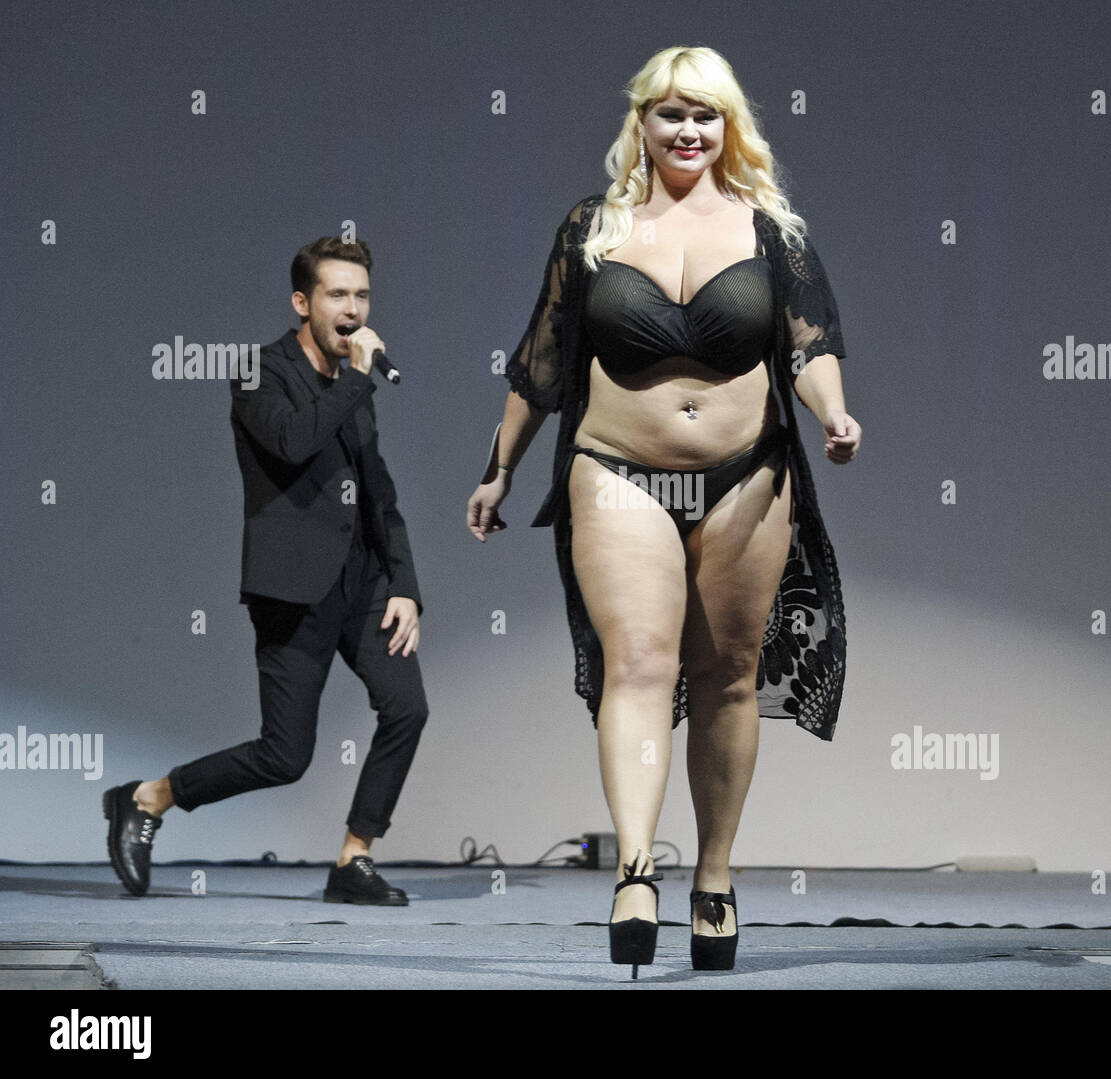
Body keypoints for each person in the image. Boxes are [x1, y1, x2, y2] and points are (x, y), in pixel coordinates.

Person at [467, 46, 860, 973]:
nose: (689, 132)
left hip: (747, 474)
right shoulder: (592, 229)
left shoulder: (774, 231)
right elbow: (540, 365)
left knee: (727, 673)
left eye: (707, 116)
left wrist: (834, 415)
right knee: (638, 662)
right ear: (640, 121)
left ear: (731, 128)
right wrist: (498, 472)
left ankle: (714, 878)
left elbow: (812, 346)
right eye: (671, 114)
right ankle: (637, 871)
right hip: (617, 471)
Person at [103, 237, 429, 905]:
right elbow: (292, 442)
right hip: (292, 588)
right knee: (285, 755)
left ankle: (353, 860)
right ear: (302, 302)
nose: (353, 308)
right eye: (338, 294)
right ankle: (148, 797)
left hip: (364, 581)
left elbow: (380, 491)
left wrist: (405, 585)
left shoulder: (353, 383)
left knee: (407, 707)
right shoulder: (258, 370)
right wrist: (359, 379)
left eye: (362, 295)